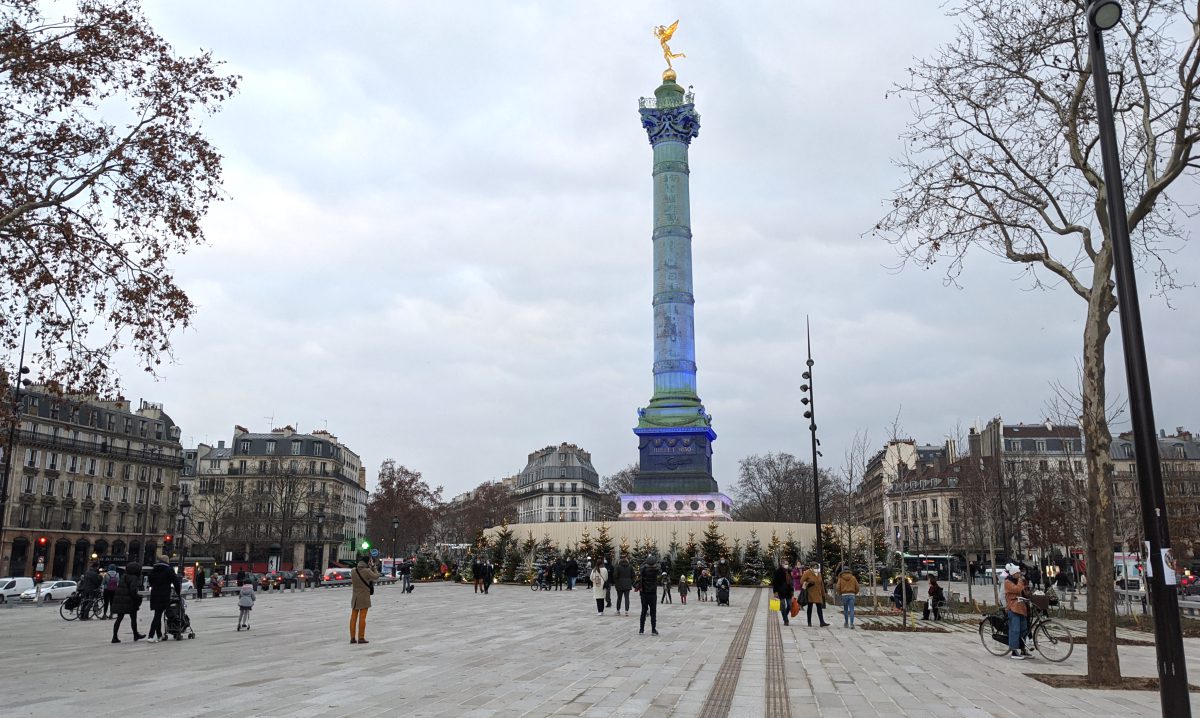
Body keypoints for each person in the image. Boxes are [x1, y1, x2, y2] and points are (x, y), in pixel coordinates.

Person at [146, 556, 181, 643]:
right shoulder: (169, 569)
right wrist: (178, 593)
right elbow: (176, 582)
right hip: (164, 594)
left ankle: (159, 635)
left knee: (158, 614)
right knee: (158, 616)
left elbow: (150, 581)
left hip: (154, 594)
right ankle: (150, 635)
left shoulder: (154, 569)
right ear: (167, 561)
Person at [1003, 563, 1031, 659]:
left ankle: (1023, 649)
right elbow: (1017, 589)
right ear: (1014, 573)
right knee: (1015, 630)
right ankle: (1014, 651)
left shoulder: (1018, 581)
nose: (1020, 574)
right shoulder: (1008, 582)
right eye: (1018, 573)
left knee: (1024, 629)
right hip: (1013, 608)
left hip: (1021, 608)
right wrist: (1020, 581)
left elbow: (1023, 591)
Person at [350, 555, 381, 644]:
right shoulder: (367, 571)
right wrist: (373, 567)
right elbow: (376, 576)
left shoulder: (353, 570)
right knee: (362, 618)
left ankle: (352, 638)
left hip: (355, 598)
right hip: (364, 597)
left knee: (353, 618)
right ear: (367, 562)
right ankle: (361, 637)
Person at [111, 561, 144, 643]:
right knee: (133, 618)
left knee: (119, 618)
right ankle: (135, 634)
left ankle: (114, 636)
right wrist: (137, 597)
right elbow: (133, 590)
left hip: (121, 600)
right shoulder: (134, 578)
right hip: (130, 601)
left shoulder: (123, 576)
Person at [636, 556, 659, 635]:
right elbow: (659, 567)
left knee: (644, 611)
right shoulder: (656, 570)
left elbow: (640, 568)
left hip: (644, 593)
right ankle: (653, 630)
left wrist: (644, 562)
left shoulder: (643, 569)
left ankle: (641, 629)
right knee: (653, 612)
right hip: (653, 593)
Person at [771, 561, 794, 626]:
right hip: (780, 591)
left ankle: (784, 616)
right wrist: (775, 592)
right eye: (785, 564)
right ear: (782, 564)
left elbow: (791, 582)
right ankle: (786, 620)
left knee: (789, 605)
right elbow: (775, 582)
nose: (787, 565)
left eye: (787, 564)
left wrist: (792, 591)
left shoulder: (789, 571)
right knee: (782, 605)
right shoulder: (778, 571)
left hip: (788, 591)